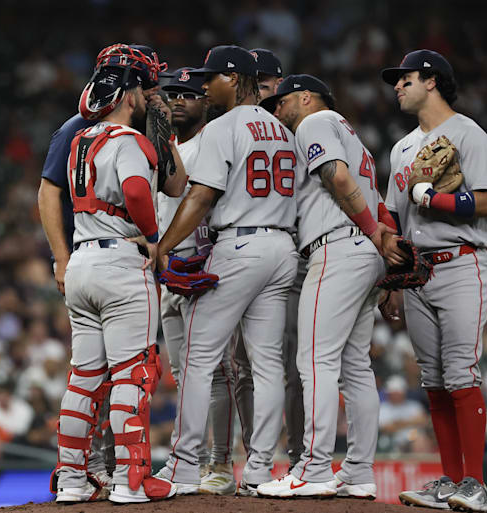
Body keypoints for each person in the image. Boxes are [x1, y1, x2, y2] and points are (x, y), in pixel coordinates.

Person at [154, 45, 298, 496]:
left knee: (197, 358)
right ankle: (259, 470)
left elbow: (201, 196)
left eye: (211, 78)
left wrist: (163, 246)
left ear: (233, 79)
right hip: (282, 246)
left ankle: (182, 464)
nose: (205, 86)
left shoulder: (222, 127)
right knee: (267, 363)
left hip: (239, 244)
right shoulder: (283, 130)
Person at [38, 43, 179, 498]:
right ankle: (130, 480)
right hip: (120, 262)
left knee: (84, 378)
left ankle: (72, 480)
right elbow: (137, 191)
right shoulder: (128, 139)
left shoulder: (81, 138)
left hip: (83, 261)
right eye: (144, 88)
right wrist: (153, 236)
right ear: (130, 93)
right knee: (133, 374)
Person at [255, 74, 390, 499]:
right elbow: (375, 199)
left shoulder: (315, 123)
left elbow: (338, 178)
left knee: (315, 361)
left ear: (306, 98)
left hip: (339, 245)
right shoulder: (351, 133)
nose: (277, 109)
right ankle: (359, 471)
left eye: (282, 101)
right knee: (355, 366)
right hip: (362, 252)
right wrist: (378, 239)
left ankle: (314, 468)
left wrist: (372, 231)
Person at [379, 49, 487, 512]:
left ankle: (476, 484)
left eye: (406, 78)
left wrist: (436, 199)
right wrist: (392, 279)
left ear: (432, 81)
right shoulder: (401, 148)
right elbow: (394, 217)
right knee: (432, 378)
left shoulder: (470, 134)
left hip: (461, 262)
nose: (398, 86)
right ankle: (449, 481)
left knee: (460, 372)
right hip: (417, 270)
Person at [156, 66, 236, 495]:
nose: (178, 101)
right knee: (182, 371)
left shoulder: (215, 138)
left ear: (206, 100)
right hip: (166, 268)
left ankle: (220, 462)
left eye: (187, 94)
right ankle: (195, 462)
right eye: (172, 94)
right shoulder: (161, 146)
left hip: (202, 265)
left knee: (215, 371)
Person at [230, 47, 306, 475]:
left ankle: (296, 458)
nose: (257, 94)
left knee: (292, 364)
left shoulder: (301, 129)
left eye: (263, 85)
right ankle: (254, 458)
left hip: (293, 251)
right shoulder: (235, 128)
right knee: (244, 365)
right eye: (251, 85)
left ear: (279, 85)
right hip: (247, 249)